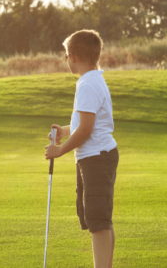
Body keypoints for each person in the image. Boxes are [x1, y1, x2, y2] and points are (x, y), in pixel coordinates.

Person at [44, 30, 119, 268]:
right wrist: (65, 131)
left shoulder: (87, 84)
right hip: (96, 156)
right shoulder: (94, 79)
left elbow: (86, 130)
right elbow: (85, 124)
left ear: (74, 56)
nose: (66, 60)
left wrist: (59, 150)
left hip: (97, 157)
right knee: (100, 219)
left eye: (67, 55)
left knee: (98, 221)